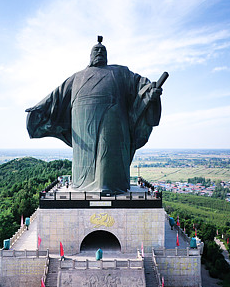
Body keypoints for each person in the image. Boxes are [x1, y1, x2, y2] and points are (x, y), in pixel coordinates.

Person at [26, 36, 163, 193]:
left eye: (102, 50)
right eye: (96, 50)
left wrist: (149, 90)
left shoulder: (120, 72)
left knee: (108, 156)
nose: (99, 52)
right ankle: (83, 183)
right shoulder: (76, 77)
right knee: (85, 160)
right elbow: (56, 96)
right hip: (82, 127)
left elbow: (140, 83)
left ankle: (111, 186)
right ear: (90, 55)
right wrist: (39, 108)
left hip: (113, 122)